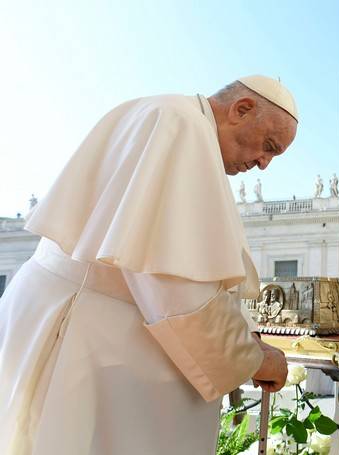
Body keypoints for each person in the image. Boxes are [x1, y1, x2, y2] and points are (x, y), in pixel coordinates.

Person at [0, 75, 298, 454]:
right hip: (84, 339)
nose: (263, 164)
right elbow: (178, 291)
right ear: (242, 109)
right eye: (268, 146)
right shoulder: (182, 126)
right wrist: (253, 360)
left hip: (65, 317)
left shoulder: (169, 115)